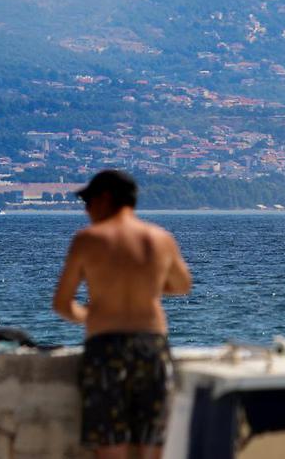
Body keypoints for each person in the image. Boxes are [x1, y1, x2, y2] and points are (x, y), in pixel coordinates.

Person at [52, 169, 192, 459]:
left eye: (88, 201)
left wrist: (90, 315)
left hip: (105, 347)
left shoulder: (88, 240)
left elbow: (63, 303)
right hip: (151, 345)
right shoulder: (160, 238)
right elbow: (181, 285)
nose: (86, 210)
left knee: (110, 444)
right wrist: (148, 286)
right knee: (153, 444)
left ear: (105, 199)